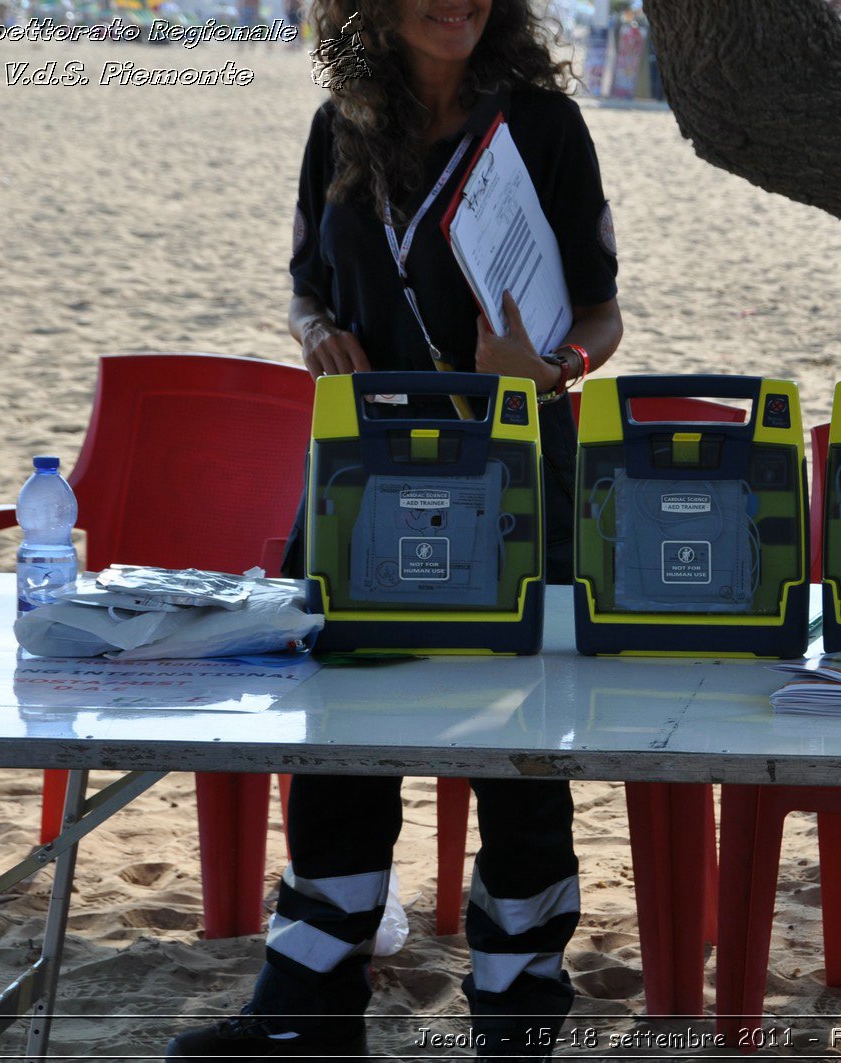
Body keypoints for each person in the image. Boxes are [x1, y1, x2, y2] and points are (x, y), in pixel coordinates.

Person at [165, 0, 621, 1057]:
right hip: (369, 470)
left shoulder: (542, 126)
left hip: (516, 467)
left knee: (522, 739)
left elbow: (600, 310)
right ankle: (309, 998)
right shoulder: (341, 122)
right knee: (338, 724)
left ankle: (516, 1007)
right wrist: (319, 332)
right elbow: (302, 287)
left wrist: (557, 371)